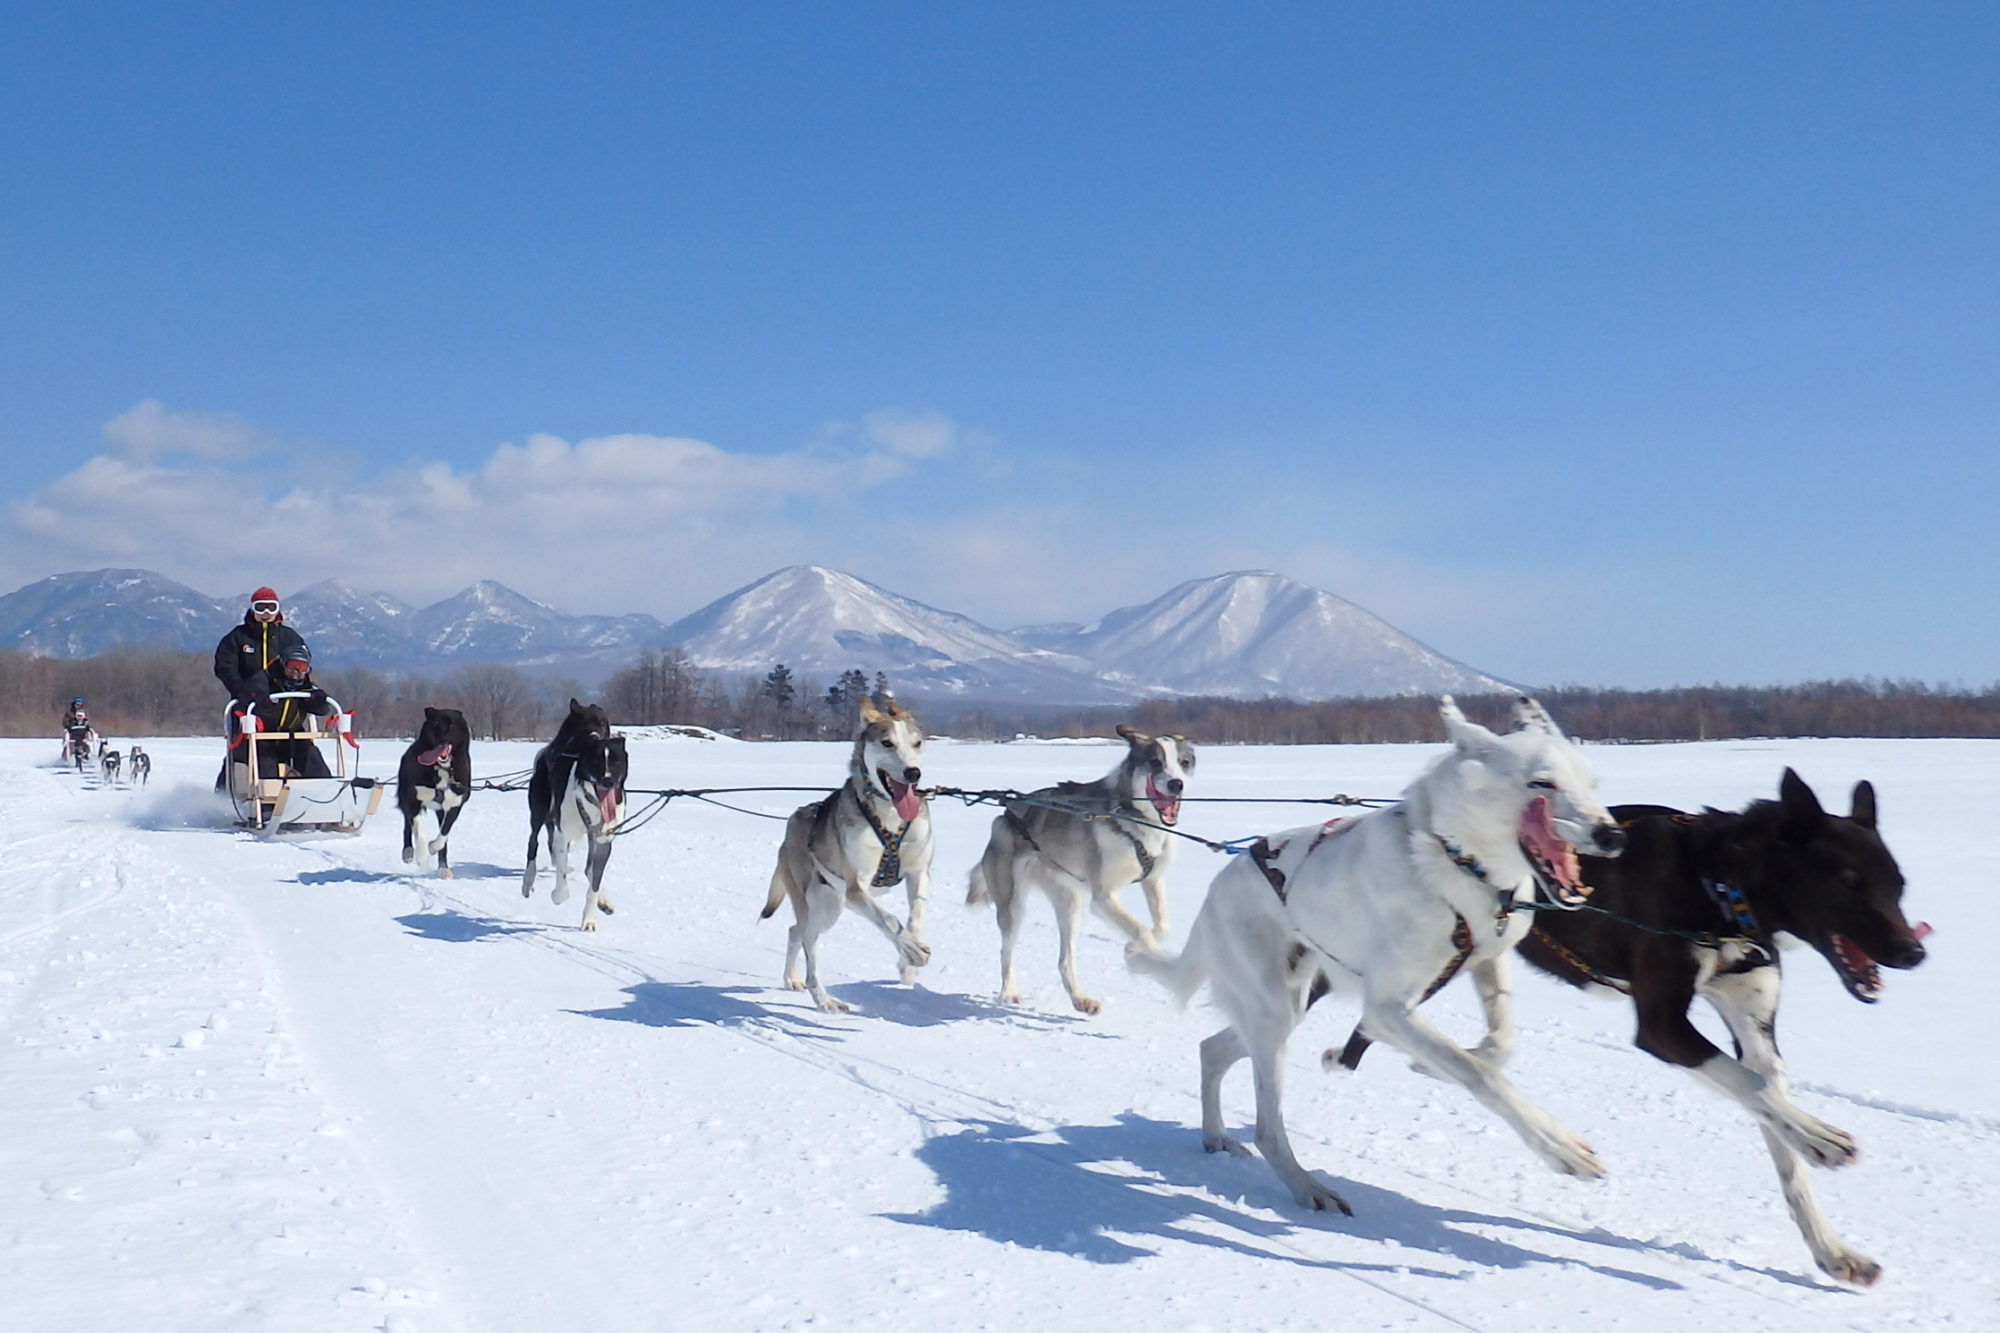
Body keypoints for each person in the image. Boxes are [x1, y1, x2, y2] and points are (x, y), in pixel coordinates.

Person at [246, 643, 336, 779]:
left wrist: (318, 700)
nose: (296, 671)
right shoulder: (264, 679)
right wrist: (260, 698)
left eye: (302, 667)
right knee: (266, 762)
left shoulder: (306, 687)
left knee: (310, 754)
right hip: (263, 736)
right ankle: (268, 790)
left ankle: (322, 786)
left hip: (291, 736)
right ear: (283, 664)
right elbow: (248, 697)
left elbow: (322, 710)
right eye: (292, 665)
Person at [214, 586, 308, 707]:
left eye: (271, 608)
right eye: (260, 608)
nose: (266, 613)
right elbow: (225, 665)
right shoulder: (238, 636)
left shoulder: (289, 637)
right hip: (248, 702)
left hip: (283, 702)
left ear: (277, 610)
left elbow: (302, 665)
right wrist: (238, 688)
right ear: (253, 609)